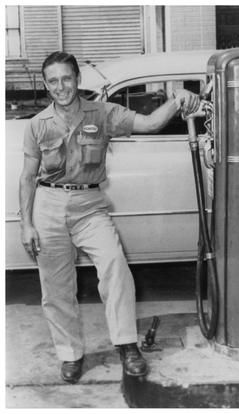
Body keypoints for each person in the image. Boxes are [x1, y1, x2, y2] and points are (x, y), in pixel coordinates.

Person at [19, 51, 200, 384]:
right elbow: (28, 177)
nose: (61, 87)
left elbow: (149, 123)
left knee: (116, 266)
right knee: (56, 288)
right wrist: (27, 223)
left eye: (66, 79)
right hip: (48, 205)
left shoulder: (102, 113)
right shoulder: (37, 125)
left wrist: (178, 100)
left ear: (77, 79)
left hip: (89, 205)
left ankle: (127, 346)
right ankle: (70, 355)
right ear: (46, 86)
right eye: (53, 81)